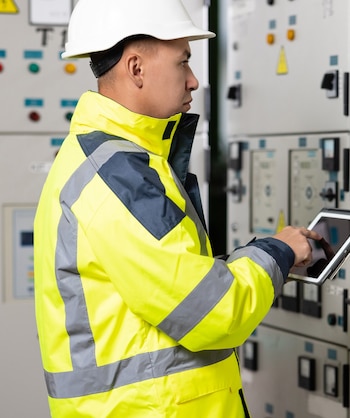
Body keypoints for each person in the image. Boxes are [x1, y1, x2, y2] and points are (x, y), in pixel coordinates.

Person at [33, 0, 320, 416]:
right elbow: (212, 311)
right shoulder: (119, 176)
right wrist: (279, 251)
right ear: (136, 68)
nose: (193, 80)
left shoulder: (111, 160)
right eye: (183, 62)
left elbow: (173, 282)